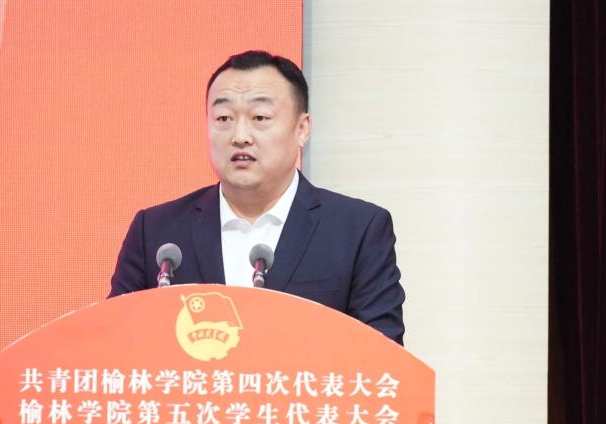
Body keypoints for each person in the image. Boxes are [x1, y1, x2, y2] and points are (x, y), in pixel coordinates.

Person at [108, 50, 405, 345]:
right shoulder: (156, 232)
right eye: (223, 118)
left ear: (302, 129)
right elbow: (113, 347)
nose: (240, 136)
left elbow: (384, 356)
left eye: (260, 117)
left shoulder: (358, 230)